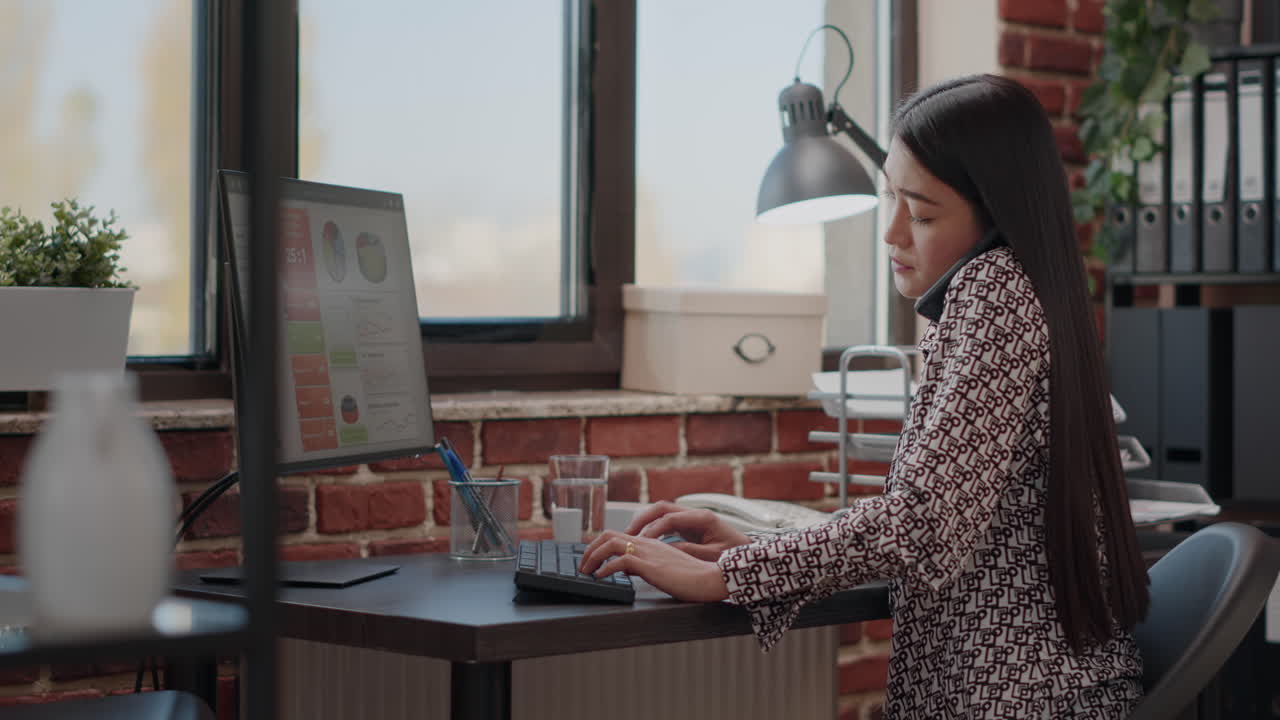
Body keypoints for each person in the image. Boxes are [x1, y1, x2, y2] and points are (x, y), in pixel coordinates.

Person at [579, 74, 1150, 718]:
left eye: (924, 212)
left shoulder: (993, 292)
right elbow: (948, 525)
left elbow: (922, 522)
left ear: (997, 216)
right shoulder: (1021, 291)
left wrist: (727, 575)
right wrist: (751, 547)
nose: (893, 232)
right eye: (891, 198)